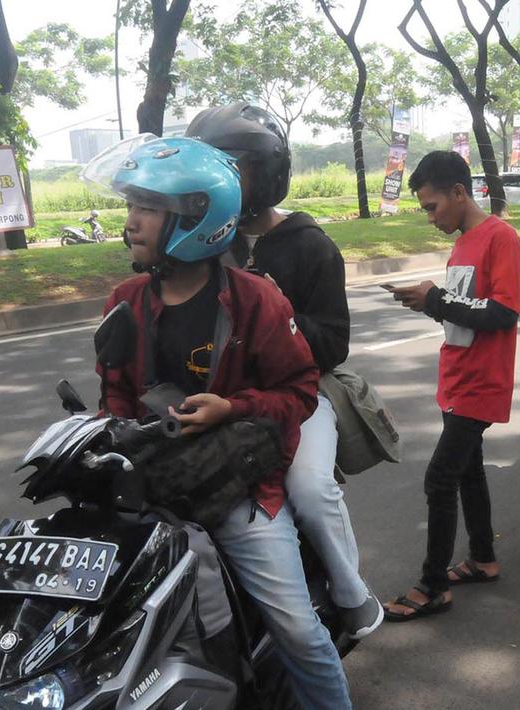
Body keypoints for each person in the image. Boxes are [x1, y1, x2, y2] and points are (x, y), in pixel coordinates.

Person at [88, 135, 352, 709]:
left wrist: (233, 408)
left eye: (147, 208)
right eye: (131, 205)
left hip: (235, 490)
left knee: (299, 633)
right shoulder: (125, 300)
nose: (130, 221)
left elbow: (299, 390)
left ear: (194, 218)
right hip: (150, 490)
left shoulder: (256, 301)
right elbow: (114, 397)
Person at [186, 102, 383, 639]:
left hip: (300, 393)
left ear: (267, 172)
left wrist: (277, 310)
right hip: (217, 394)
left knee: (311, 488)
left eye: (233, 166)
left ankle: (351, 594)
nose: (220, 179)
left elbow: (334, 345)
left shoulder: (309, 245)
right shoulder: (200, 242)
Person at [381, 151, 520, 621]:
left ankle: (433, 585)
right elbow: (465, 307)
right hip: (456, 377)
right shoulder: (461, 244)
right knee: (468, 472)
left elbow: (502, 313)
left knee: (439, 479)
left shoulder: (499, 238)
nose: (429, 217)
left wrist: (437, 298)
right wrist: (428, 304)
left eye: (431, 206)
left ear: (459, 193)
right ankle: (483, 558)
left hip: (482, 382)